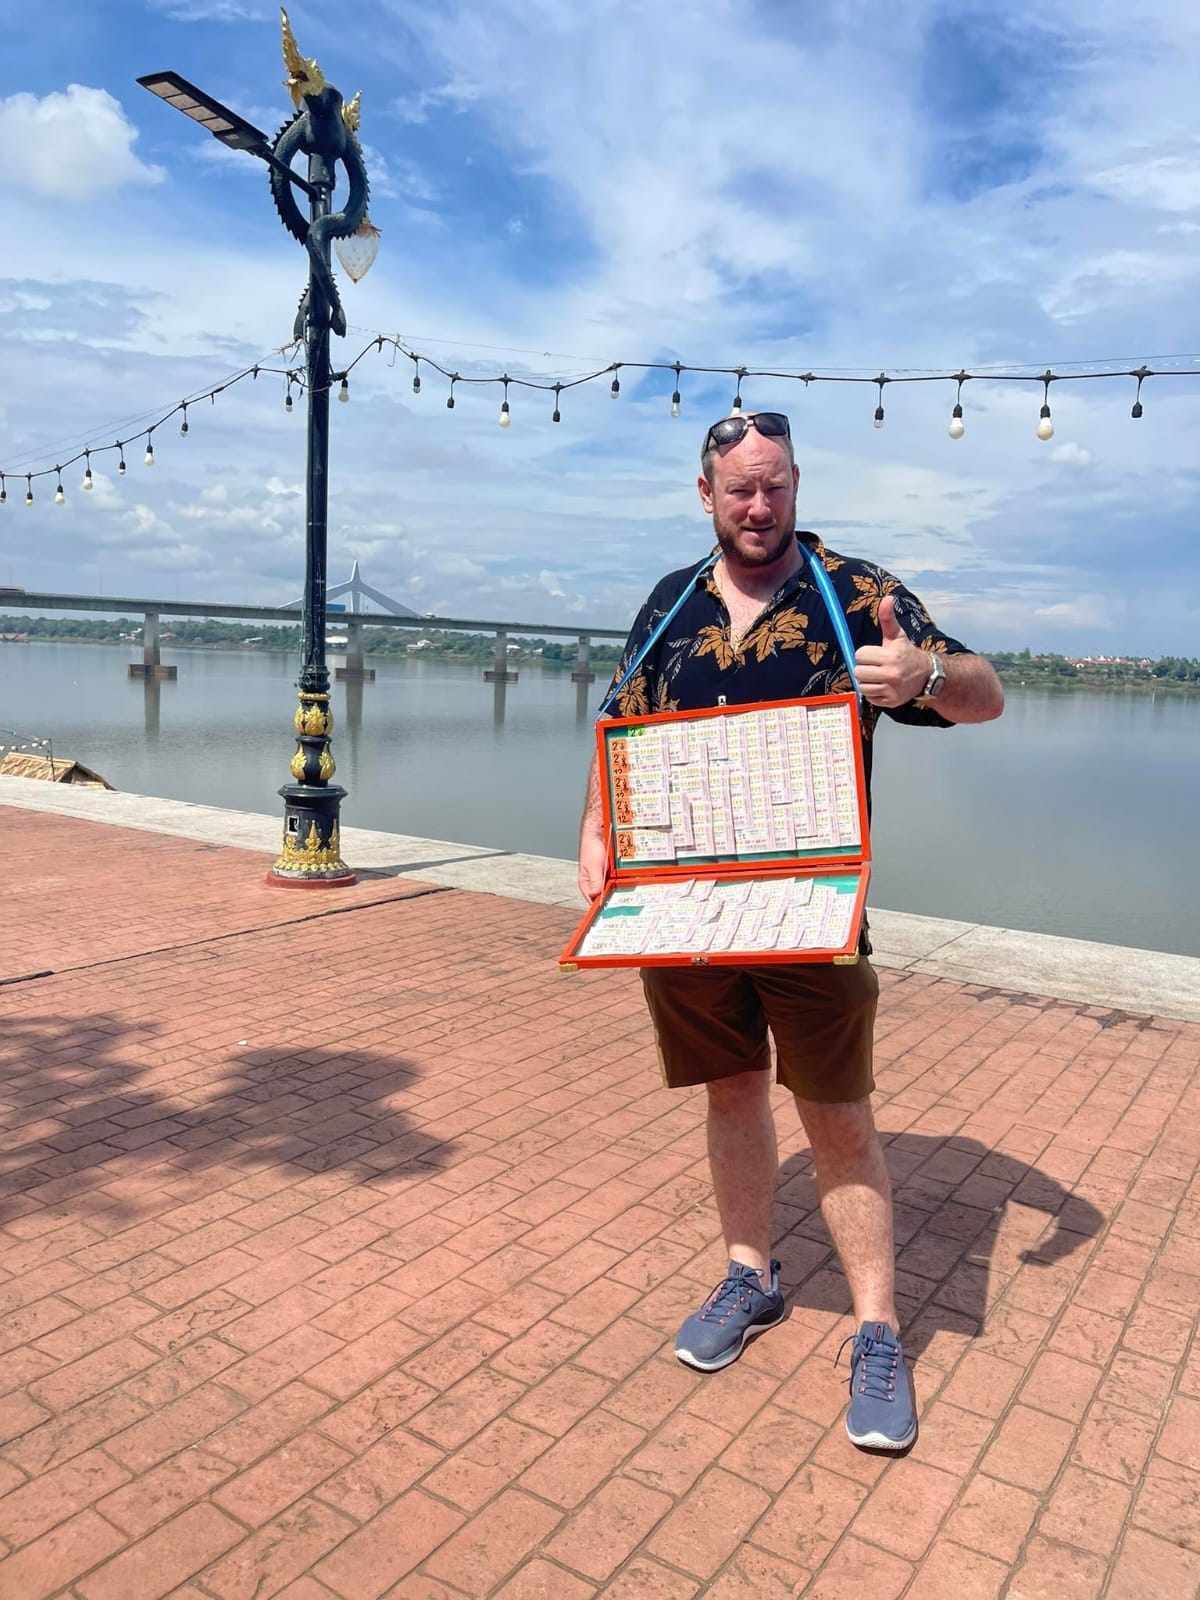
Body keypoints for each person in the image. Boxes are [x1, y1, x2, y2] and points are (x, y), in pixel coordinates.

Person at [577, 410, 1004, 1451]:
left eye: (774, 486)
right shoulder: (666, 604)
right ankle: (750, 1274)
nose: (758, 506)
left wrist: (928, 680)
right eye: (738, 490)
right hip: (683, 906)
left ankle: (876, 1330)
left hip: (814, 912)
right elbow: (616, 723)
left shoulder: (858, 596)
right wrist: (595, 828)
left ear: (796, 484)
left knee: (837, 1115)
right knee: (729, 1091)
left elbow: (988, 695)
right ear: (706, 495)